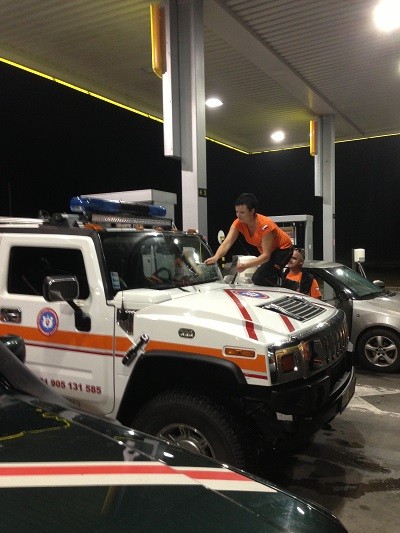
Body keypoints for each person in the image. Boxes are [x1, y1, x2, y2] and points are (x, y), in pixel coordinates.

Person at [204, 193, 293, 286]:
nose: (238, 215)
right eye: (237, 212)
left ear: (252, 211)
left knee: (259, 278)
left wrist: (246, 265)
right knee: (265, 276)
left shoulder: (265, 225)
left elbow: (266, 256)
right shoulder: (238, 223)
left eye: (242, 212)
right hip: (270, 253)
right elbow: (227, 242)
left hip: (283, 249)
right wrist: (216, 257)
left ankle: (291, 285)